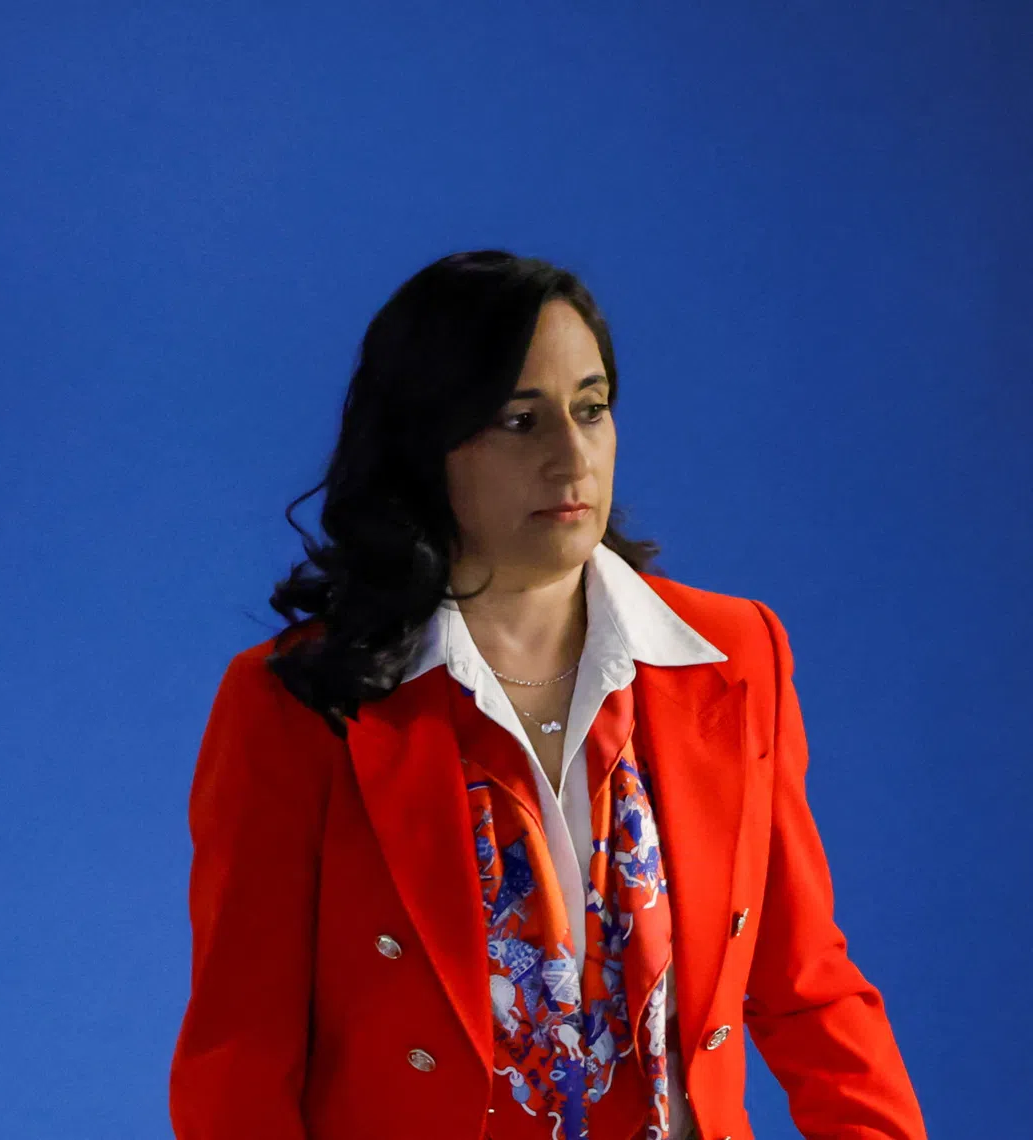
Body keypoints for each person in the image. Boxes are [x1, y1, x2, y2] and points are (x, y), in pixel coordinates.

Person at [168, 250, 927, 1140]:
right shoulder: (295, 701)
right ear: (423, 444)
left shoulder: (734, 655)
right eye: (519, 421)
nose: (572, 457)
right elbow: (240, 1057)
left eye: (591, 409)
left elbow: (806, 987)